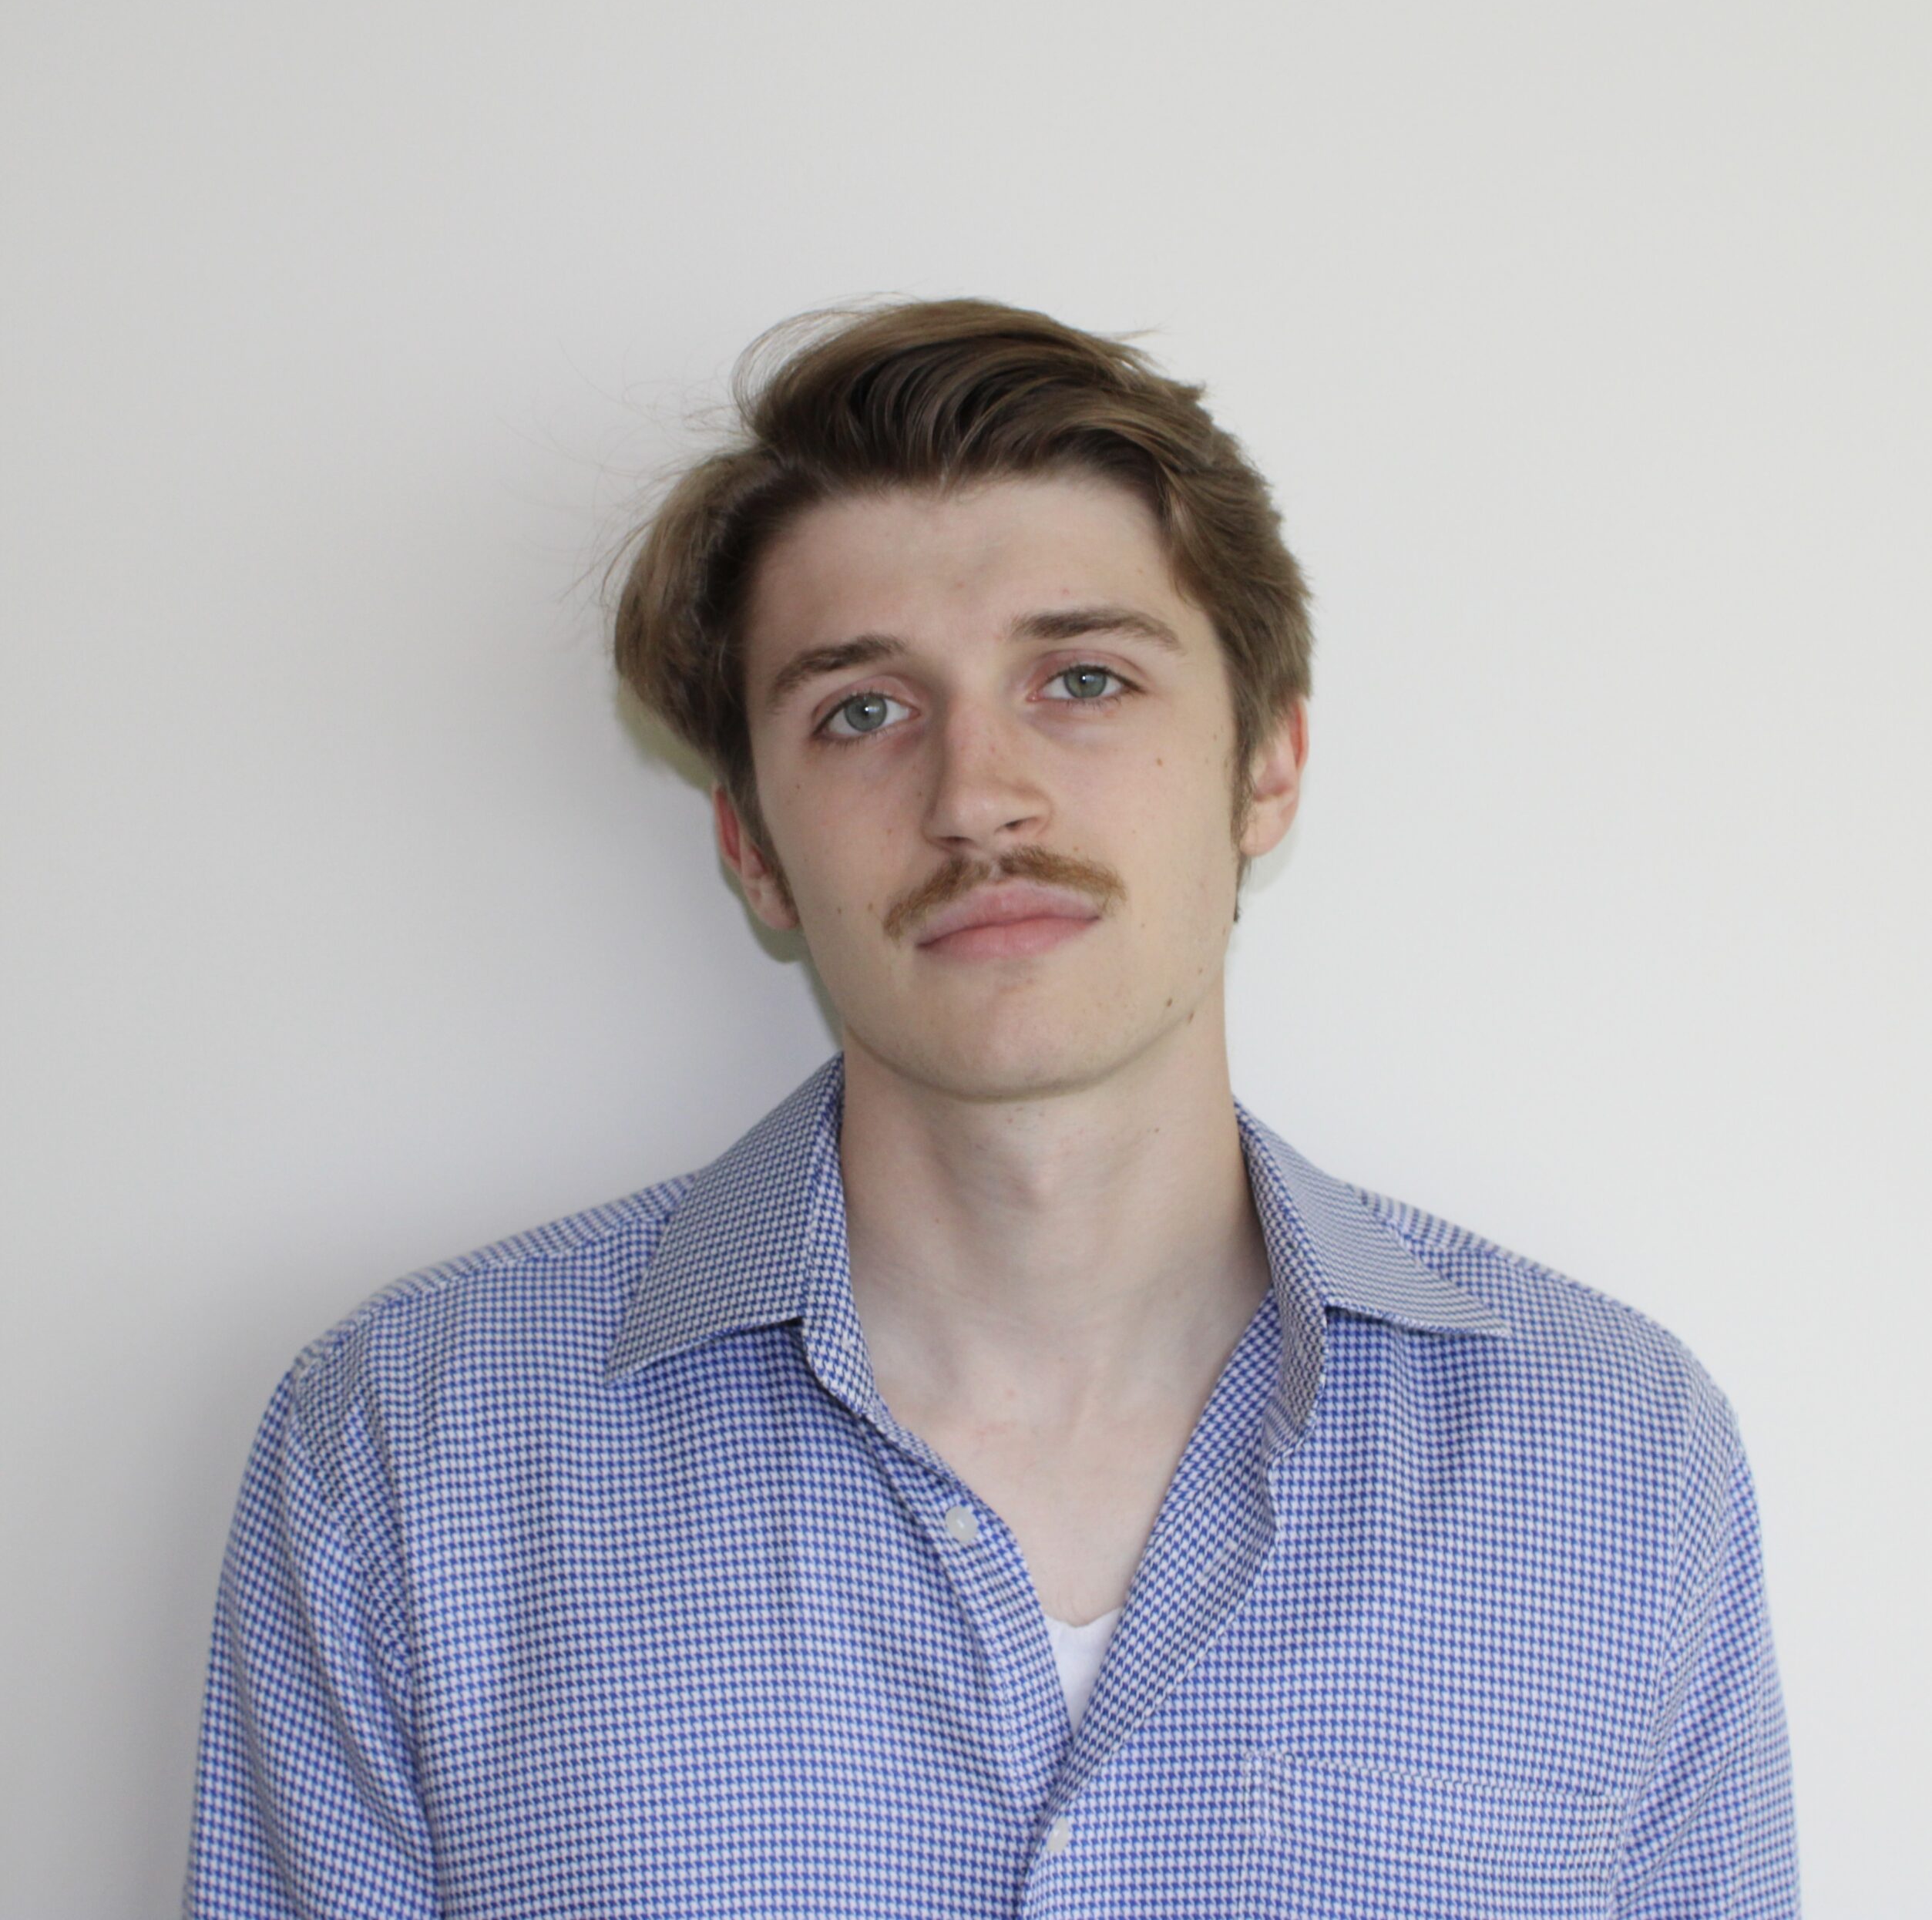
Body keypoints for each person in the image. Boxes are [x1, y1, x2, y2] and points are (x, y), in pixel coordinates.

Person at [183, 298, 1799, 1916]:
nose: (978, 797)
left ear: (1267, 764)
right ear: (753, 847)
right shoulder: (412, 1452)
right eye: (863, 710)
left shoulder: (1612, 1460)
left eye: (1083, 678)